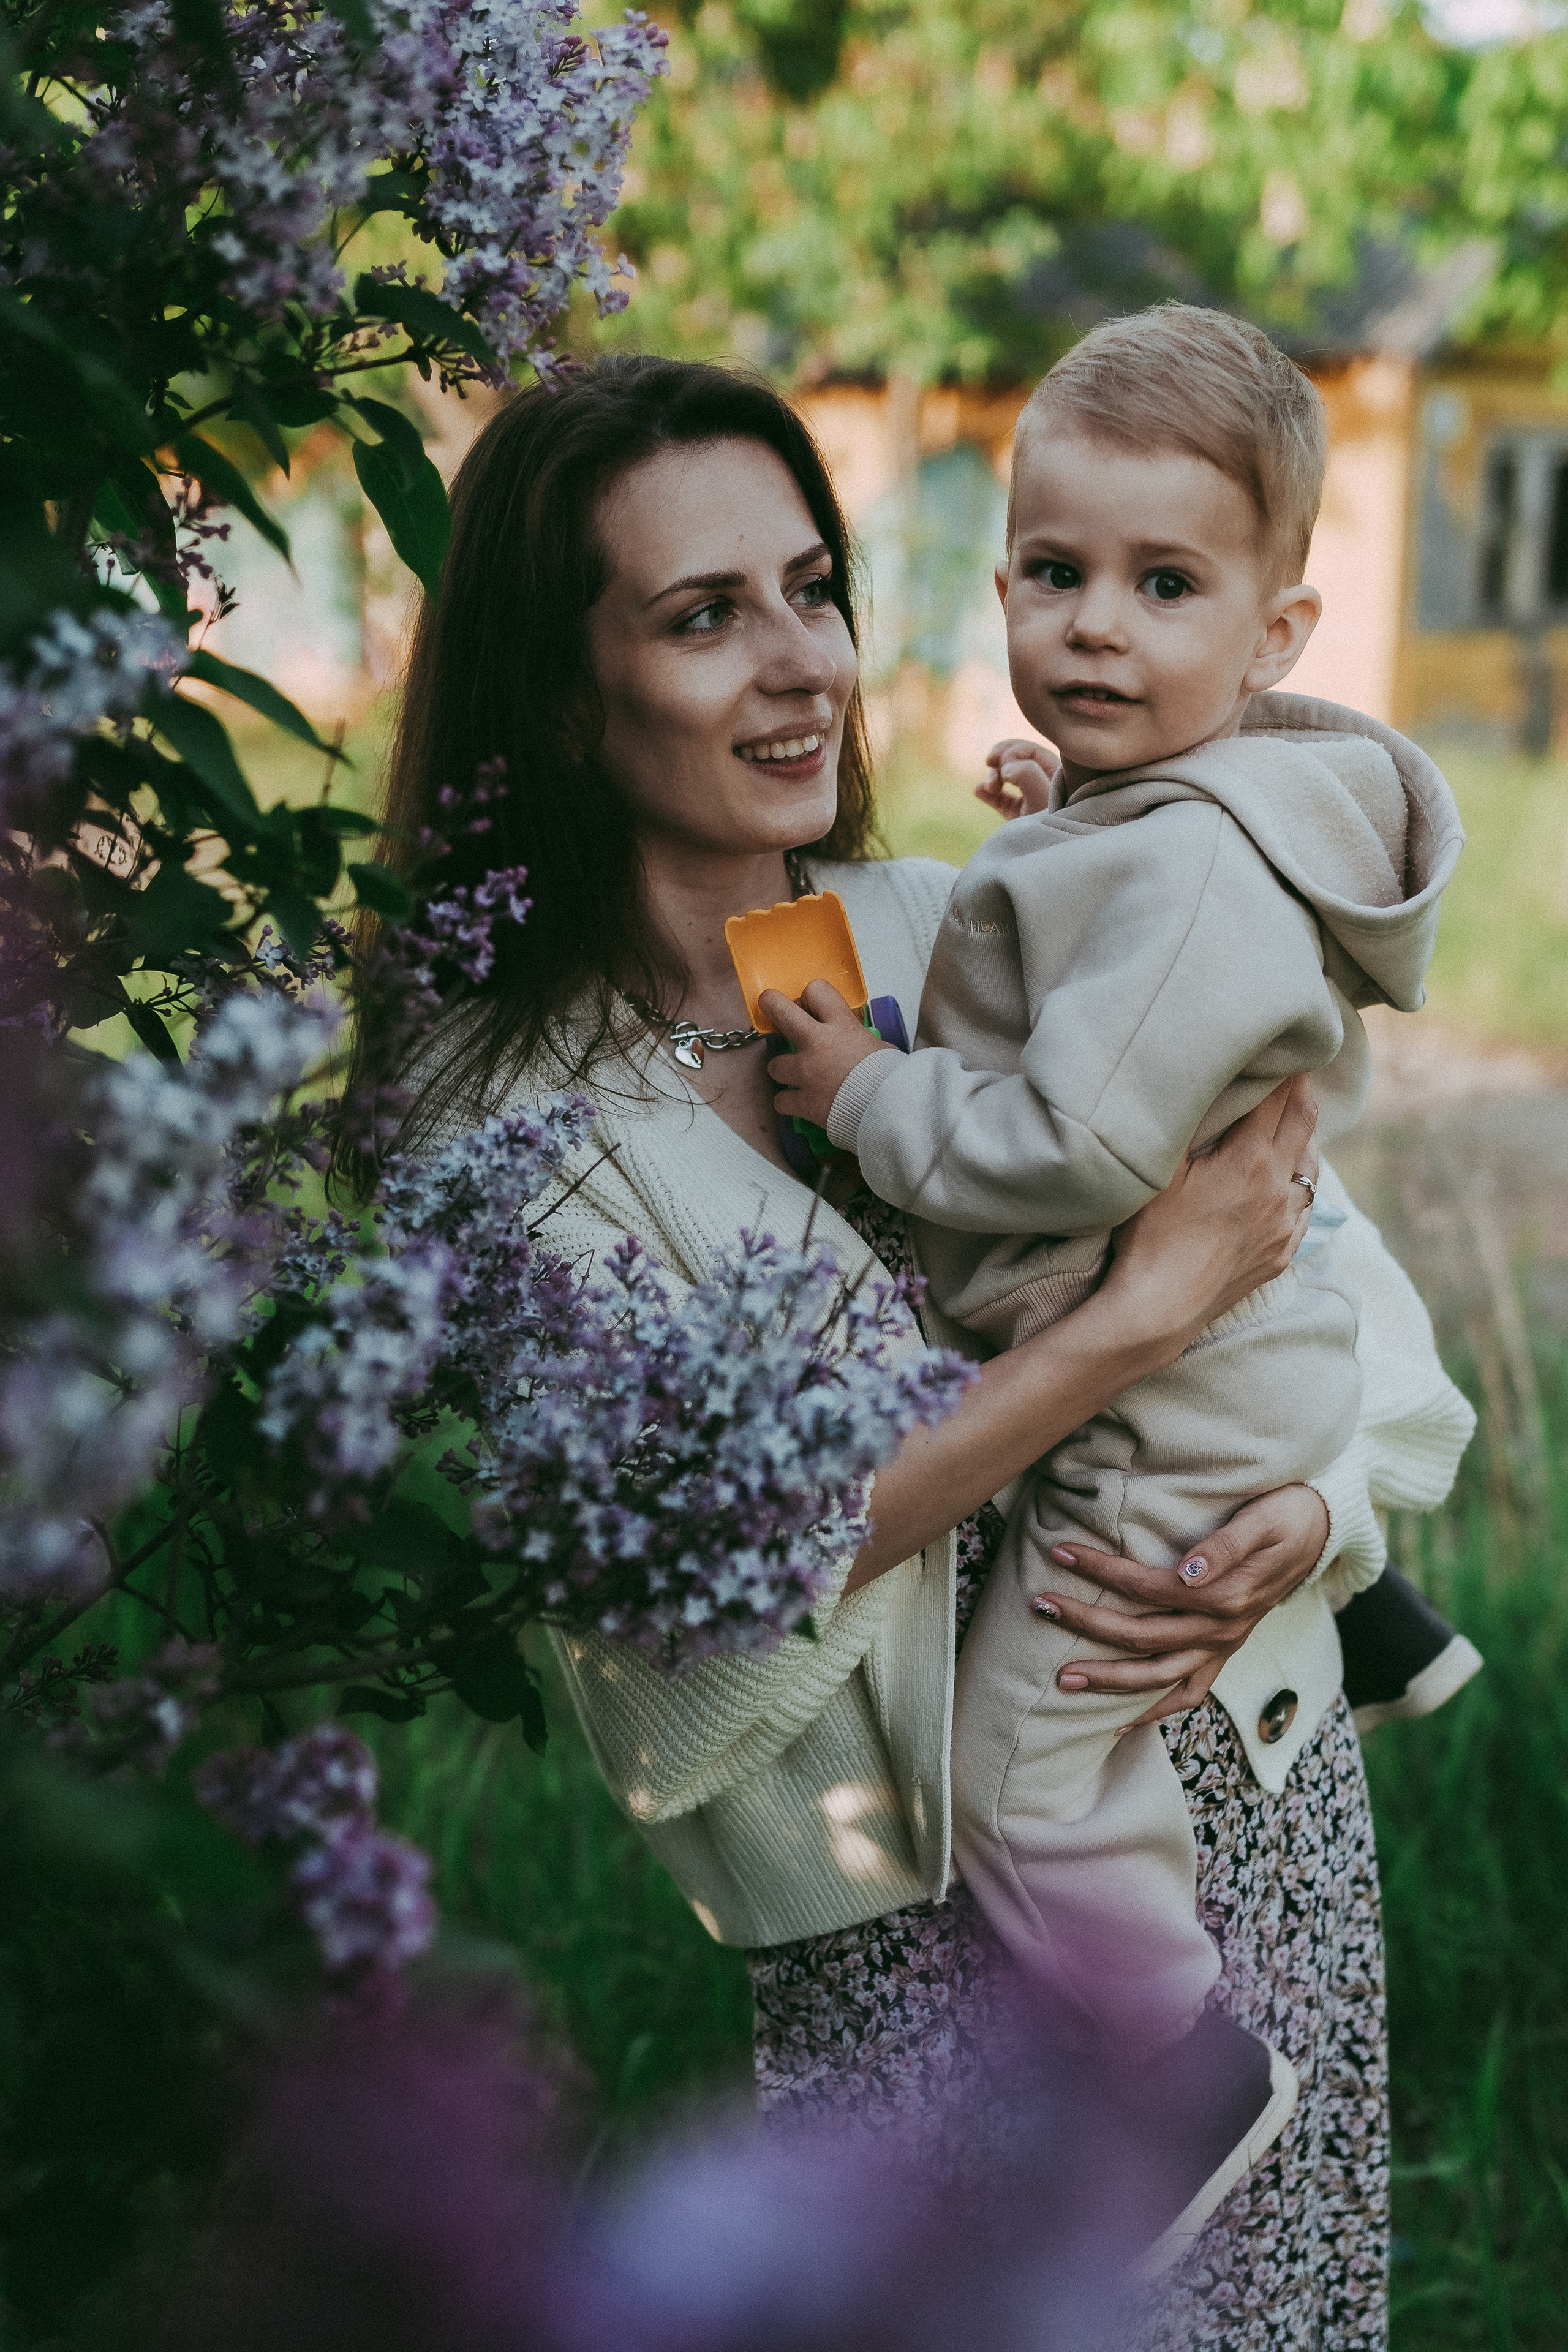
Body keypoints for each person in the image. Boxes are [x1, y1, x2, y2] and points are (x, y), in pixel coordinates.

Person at [376, 350, 1472, 2350]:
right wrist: (1131, 1323)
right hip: (904, 1946)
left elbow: (1375, 1345)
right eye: (708, 616)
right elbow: (687, 1652)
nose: (802, 665)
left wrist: (1308, 1517)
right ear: (558, 685)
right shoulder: (510, 1130)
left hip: (1248, 1808)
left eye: (817, 588)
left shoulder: (956, 917)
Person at [762, 306, 1475, 2264]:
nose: (1095, 627)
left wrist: (870, 1088)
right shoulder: (1161, 819)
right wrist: (1068, 825)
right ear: (996, 580)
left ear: (1277, 639)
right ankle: (1380, 1607)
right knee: (1231, 1409)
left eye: (1165, 586)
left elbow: (1070, 1146)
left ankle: (1179, 2057)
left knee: (1015, 1769)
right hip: (1217, 1389)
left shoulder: (1181, 874)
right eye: (1057, 575)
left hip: (1168, 1428)